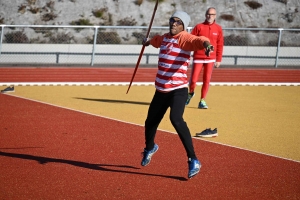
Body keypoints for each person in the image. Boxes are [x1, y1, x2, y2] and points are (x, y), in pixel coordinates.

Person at [141, 10, 214, 179]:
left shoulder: (185, 39)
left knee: (176, 119)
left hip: (178, 89)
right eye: (172, 20)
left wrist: (207, 45)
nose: (174, 23)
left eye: (178, 22)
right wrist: (146, 42)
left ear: (184, 26)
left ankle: (193, 159)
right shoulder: (164, 38)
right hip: (160, 89)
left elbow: (199, 40)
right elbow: (154, 41)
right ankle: (149, 148)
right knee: (150, 122)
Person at [186, 7, 224, 109]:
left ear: (215, 16)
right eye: (208, 14)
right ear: (205, 15)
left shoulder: (218, 28)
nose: (209, 16)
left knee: (206, 80)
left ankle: (202, 100)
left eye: (211, 14)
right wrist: (188, 56)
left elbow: (220, 44)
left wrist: (218, 59)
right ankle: (191, 93)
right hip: (198, 57)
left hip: (211, 59)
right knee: (193, 80)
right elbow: (190, 40)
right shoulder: (199, 27)